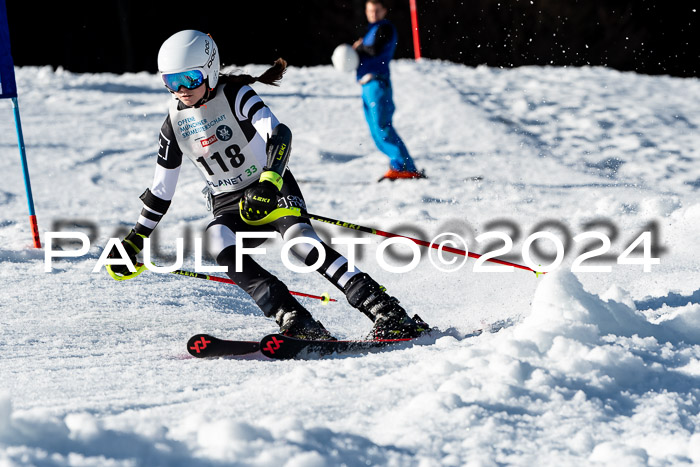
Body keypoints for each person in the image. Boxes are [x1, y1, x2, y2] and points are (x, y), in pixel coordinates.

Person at [105, 30, 429, 340]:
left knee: (301, 244)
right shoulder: (174, 125)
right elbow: (161, 191)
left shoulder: (236, 96)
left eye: (188, 79)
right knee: (215, 238)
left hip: (271, 187)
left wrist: (269, 182)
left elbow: (279, 134)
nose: (181, 90)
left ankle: (385, 310)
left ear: (210, 71)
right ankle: (292, 316)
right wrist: (136, 240)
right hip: (230, 204)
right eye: (170, 81)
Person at [353, 0, 424, 181]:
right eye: (370, 10)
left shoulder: (385, 28)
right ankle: (398, 166)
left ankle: (406, 167)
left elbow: (374, 49)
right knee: (376, 130)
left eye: (377, 10)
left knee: (383, 127)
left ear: (384, 10)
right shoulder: (371, 30)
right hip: (366, 85)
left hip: (378, 84)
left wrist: (359, 47)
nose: (373, 14)